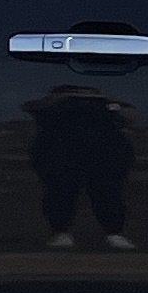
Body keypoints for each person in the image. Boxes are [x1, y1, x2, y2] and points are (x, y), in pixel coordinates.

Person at [29, 85, 138, 249]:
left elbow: (131, 117)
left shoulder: (109, 108)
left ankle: (114, 232)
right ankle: (60, 232)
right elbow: (33, 109)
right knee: (61, 189)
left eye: (87, 98)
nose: (82, 102)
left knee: (107, 190)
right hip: (60, 152)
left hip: (103, 154)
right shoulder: (51, 107)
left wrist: (107, 106)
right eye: (77, 97)